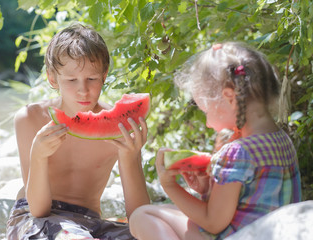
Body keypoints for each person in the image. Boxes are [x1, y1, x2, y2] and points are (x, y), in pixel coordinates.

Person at [129, 42, 301, 240]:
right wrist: (206, 190)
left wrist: (170, 185)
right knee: (158, 212)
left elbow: (213, 222)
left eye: (206, 111)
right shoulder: (282, 141)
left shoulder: (237, 152)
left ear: (229, 97)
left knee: (142, 215)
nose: (208, 123)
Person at [6, 23, 150, 240]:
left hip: (90, 221)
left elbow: (139, 218)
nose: (83, 90)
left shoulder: (118, 127)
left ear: (104, 75)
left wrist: (130, 158)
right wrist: (38, 156)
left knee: (156, 233)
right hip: (31, 218)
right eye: (72, 80)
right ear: (53, 78)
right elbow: (39, 210)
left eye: (91, 79)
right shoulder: (29, 119)